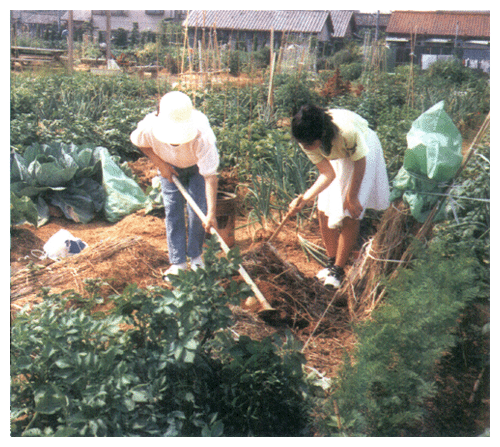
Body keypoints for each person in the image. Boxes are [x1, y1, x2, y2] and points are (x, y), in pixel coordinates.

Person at [288, 104, 390, 288]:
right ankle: (331, 262)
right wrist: (304, 199)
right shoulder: (306, 139)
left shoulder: (346, 132)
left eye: (309, 144)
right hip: (337, 154)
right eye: (303, 144)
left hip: (364, 152)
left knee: (349, 211)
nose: (306, 147)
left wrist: (352, 196)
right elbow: (327, 174)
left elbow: (360, 163)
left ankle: (338, 270)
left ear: (320, 134)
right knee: (323, 208)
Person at [130, 91, 219, 277]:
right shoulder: (149, 127)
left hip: (196, 169)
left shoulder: (202, 135)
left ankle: (196, 257)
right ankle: (178, 262)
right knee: (173, 211)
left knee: (199, 213)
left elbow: (210, 177)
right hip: (168, 167)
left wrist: (211, 213)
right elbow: (140, 143)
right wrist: (161, 165)